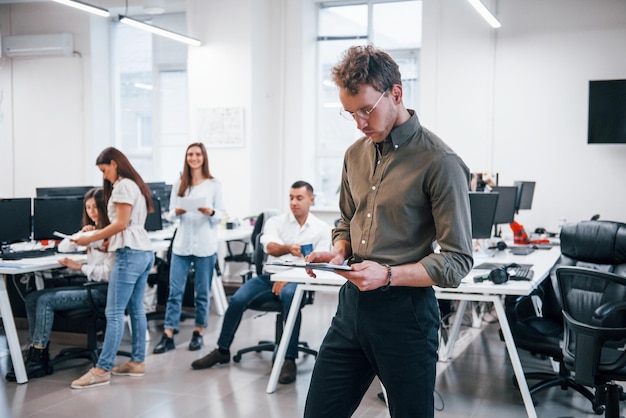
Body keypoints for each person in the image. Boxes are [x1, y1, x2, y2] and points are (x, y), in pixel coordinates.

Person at [303, 45, 474, 418]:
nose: (361, 123)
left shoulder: (440, 162)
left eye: (366, 109)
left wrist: (389, 275)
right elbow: (347, 219)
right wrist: (339, 251)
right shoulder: (354, 155)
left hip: (406, 316)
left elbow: (457, 260)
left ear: (396, 93)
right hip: (351, 309)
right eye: (351, 114)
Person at [190, 180, 331, 384]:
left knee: (290, 297)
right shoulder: (275, 222)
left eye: (299, 198)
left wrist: (289, 276)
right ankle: (222, 350)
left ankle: (289, 359)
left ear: (311, 199)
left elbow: (320, 260)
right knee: (238, 299)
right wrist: (289, 249)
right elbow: (271, 248)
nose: (294, 202)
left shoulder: (321, 229)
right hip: (269, 277)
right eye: (291, 198)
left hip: (298, 281)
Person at [4, 187, 114, 382]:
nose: (92, 212)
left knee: (46, 300)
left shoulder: (111, 235)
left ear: (105, 208)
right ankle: (39, 352)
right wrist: (83, 233)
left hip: (103, 291)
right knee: (32, 298)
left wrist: (79, 268)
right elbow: (63, 246)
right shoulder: (93, 233)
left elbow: (108, 274)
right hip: (91, 286)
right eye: (88, 208)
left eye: (96, 208)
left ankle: (37, 360)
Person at [69, 147, 155, 389]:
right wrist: (107, 242)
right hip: (142, 251)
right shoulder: (133, 184)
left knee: (114, 312)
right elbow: (127, 226)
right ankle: (136, 361)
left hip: (130, 254)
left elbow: (121, 223)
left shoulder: (123, 185)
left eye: (104, 170)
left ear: (114, 163)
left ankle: (102, 368)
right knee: (136, 309)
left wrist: (89, 238)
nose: (104, 176)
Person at [153, 142, 225, 354]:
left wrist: (209, 211)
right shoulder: (180, 183)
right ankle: (168, 334)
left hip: (205, 245)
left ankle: (199, 331)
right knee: (175, 291)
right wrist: (179, 211)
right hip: (182, 245)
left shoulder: (214, 185)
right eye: (190, 154)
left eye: (197, 154)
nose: (193, 158)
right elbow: (169, 213)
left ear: (204, 158)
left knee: (201, 292)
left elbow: (221, 214)